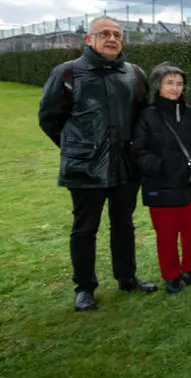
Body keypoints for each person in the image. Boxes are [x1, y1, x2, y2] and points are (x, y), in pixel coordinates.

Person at [38, 16, 158, 311]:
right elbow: (50, 119)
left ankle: (127, 277)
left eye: (117, 34)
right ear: (88, 39)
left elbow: (144, 116)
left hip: (126, 167)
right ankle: (85, 287)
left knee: (124, 225)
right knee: (85, 227)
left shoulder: (135, 74)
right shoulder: (68, 73)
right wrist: (80, 148)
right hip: (86, 168)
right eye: (104, 33)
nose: (112, 39)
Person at [132, 63, 191, 293]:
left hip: (190, 184)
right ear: (158, 86)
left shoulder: (190, 113)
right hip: (162, 185)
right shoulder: (147, 115)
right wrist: (163, 167)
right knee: (166, 234)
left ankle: (189, 269)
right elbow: (138, 151)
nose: (175, 88)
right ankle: (171, 274)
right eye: (169, 83)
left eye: (179, 83)